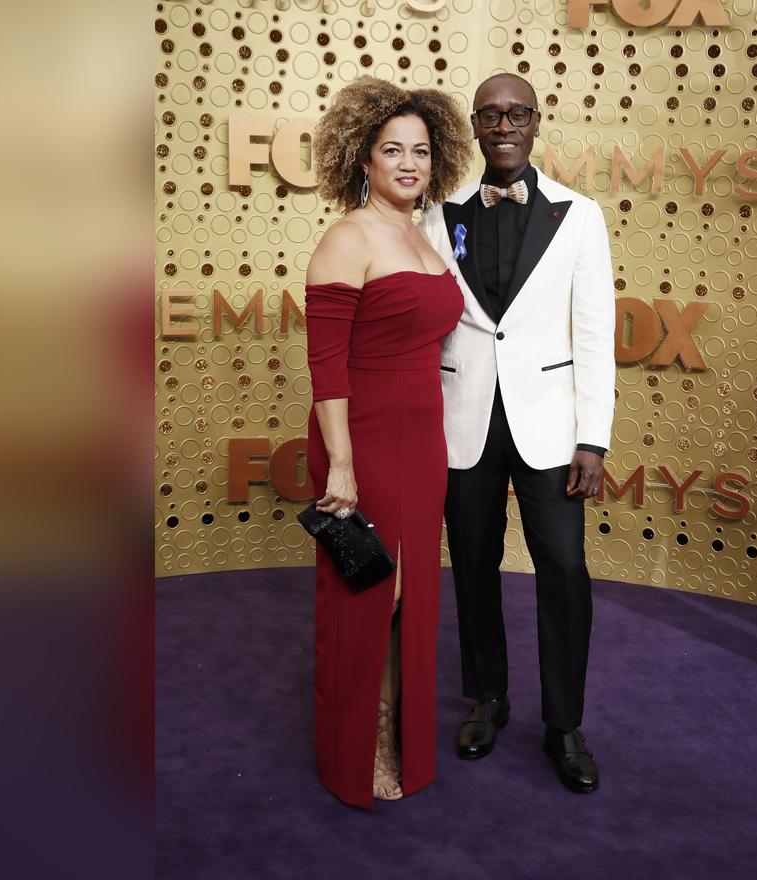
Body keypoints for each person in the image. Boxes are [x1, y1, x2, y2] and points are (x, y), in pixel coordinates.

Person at [420, 73, 616, 793]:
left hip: (551, 430)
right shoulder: (438, 217)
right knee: (471, 564)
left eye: (516, 113)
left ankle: (564, 724)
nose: (503, 124)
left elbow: (595, 335)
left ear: (536, 123)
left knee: (563, 569)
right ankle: (488, 697)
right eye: (490, 114)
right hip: (464, 422)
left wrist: (592, 439)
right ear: (475, 127)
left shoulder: (580, 215)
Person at [304, 77, 469, 809]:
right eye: (391, 150)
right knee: (374, 594)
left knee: (412, 598)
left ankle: (401, 736)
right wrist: (340, 460)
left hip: (421, 439)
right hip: (361, 436)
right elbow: (326, 361)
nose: (408, 164)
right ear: (361, 159)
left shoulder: (422, 235)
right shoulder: (347, 235)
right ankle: (358, 749)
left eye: (421, 152)